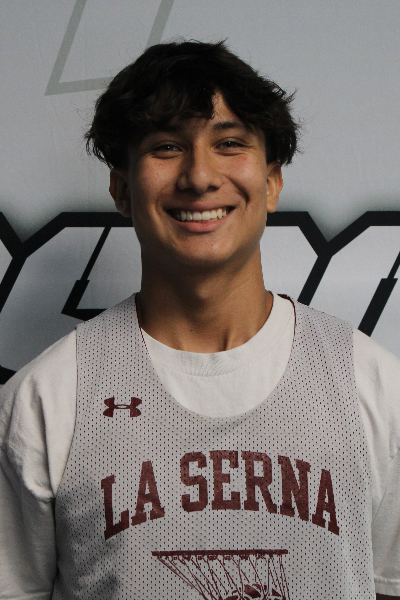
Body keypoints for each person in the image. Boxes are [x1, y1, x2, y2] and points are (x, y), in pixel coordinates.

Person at [0, 40, 399, 600]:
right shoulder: (46, 399)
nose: (199, 175)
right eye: (166, 147)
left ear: (272, 182)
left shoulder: (373, 386)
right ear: (121, 188)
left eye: (229, 143)